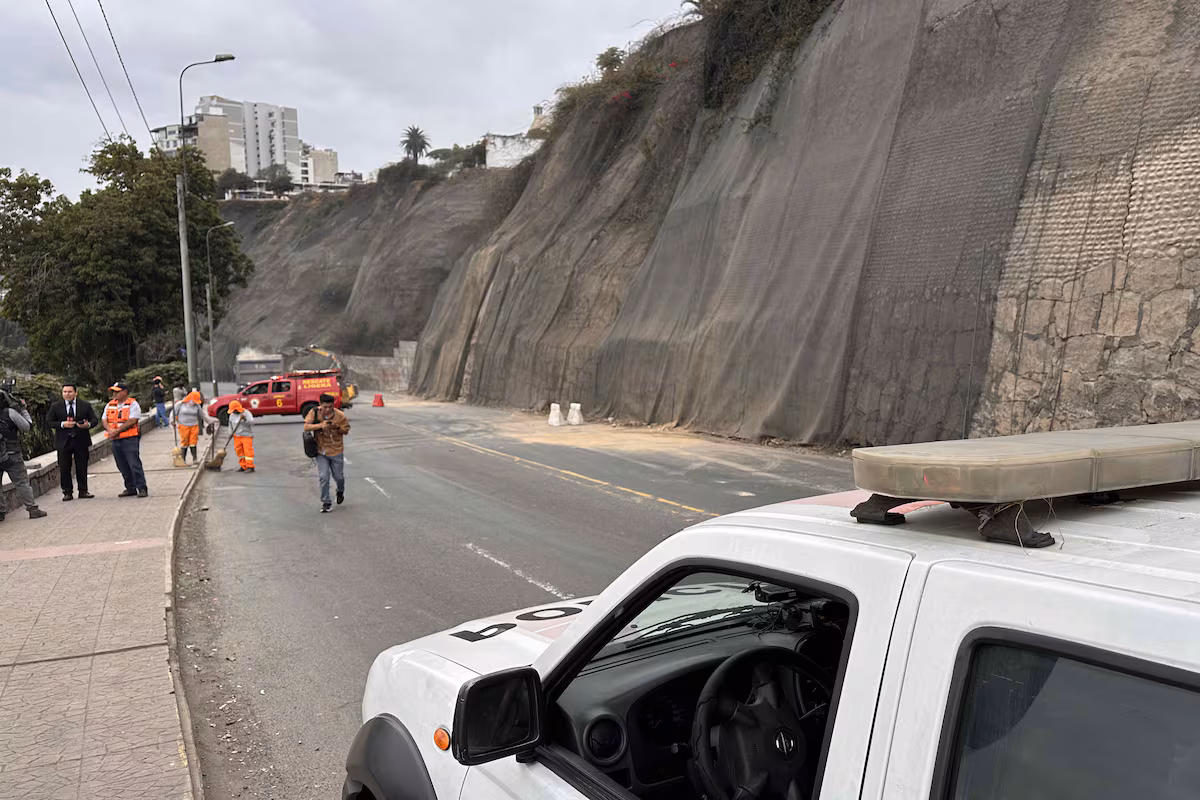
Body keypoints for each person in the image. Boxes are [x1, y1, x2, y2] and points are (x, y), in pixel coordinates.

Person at [0, 388, 48, 521]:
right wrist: (22, 409)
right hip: (12, 454)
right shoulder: (9, 412)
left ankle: (1, 512)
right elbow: (27, 426)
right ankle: (33, 509)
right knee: (21, 482)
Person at [46, 383, 99, 501]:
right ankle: (67, 492)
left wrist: (87, 425)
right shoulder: (56, 406)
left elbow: (94, 420)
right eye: (65, 392)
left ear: (76, 393)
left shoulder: (85, 405)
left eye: (70, 392)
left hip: (81, 440)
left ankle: (83, 490)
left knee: (82, 466)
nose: (67, 394)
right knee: (64, 467)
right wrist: (62, 424)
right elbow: (49, 422)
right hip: (63, 441)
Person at [304, 393, 350, 513]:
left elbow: (346, 430)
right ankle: (326, 502)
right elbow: (306, 427)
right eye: (325, 407)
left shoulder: (340, 416)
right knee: (323, 477)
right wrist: (320, 425)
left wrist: (337, 427)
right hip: (321, 451)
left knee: (339, 477)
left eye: (330, 407)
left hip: (336, 450)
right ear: (320, 405)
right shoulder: (314, 412)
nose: (327, 409)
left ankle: (340, 491)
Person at [103, 381, 148, 498]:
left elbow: (132, 420)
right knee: (122, 465)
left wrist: (117, 431)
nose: (114, 394)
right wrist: (109, 430)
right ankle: (130, 488)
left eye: (117, 392)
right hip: (115, 439)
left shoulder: (132, 404)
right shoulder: (110, 405)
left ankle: (142, 487)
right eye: (113, 391)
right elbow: (104, 420)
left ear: (125, 392)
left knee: (134, 464)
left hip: (130, 438)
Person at [171, 391, 214, 465]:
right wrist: (172, 421)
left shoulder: (197, 406)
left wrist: (210, 422)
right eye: (193, 401)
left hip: (194, 425)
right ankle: (183, 459)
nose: (194, 403)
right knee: (184, 442)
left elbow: (202, 415)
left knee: (193, 442)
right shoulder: (180, 404)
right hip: (183, 426)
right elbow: (173, 413)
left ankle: (194, 459)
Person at [227, 400, 255, 472]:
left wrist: (245, 419)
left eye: (234, 410)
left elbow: (252, 422)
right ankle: (243, 466)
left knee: (247, 452)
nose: (233, 412)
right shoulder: (231, 416)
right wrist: (230, 434)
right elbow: (230, 425)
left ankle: (250, 466)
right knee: (239, 452)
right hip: (237, 436)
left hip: (246, 436)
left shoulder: (246, 413)